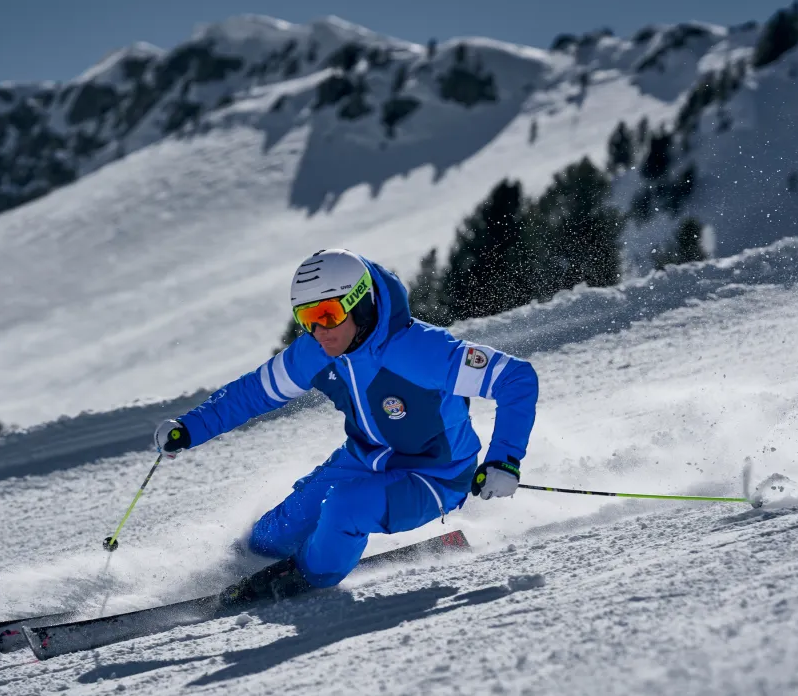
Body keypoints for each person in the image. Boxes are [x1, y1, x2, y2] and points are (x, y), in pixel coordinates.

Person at [154, 248, 539, 606]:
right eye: (307, 319)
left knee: (345, 509)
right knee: (269, 537)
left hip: (436, 475)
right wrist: (190, 428)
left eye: (327, 315)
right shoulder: (315, 352)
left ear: (362, 304)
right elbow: (253, 393)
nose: (320, 331)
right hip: (362, 459)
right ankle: (287, 558)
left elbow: (516, 378)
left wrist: (504, 460)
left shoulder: (418, 350)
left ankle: (307, 576)